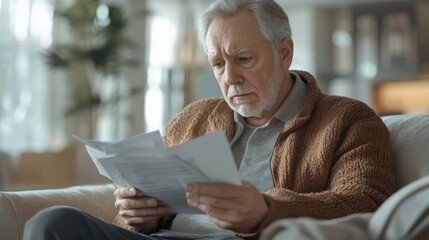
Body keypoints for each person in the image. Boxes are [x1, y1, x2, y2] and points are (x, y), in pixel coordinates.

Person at [23, 0, 396, 239]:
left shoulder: (348, 119)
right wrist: (139, 214)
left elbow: (367, 206)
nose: (229, 77)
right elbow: (146, 212)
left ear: (284, 52)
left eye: (244, 59)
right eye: (218, 63)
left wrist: (267, 211)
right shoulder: (193, 118)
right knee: (50, 223)